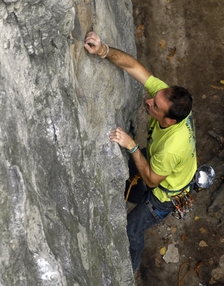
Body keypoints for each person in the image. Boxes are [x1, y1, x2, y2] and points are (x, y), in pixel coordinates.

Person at [84, 31, 197, 273]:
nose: (147, 102)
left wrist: (132, 145)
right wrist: (103, 50)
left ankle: (130, 270)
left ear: (168, 121)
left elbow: (153, 180)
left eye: (154, 106)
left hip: (164, 195)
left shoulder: (172, 148)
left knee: (131, 230)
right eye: (153, 98)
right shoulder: (170, 104)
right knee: (135, 175)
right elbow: (135, 67)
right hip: (158, 159)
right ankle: (133, 194)